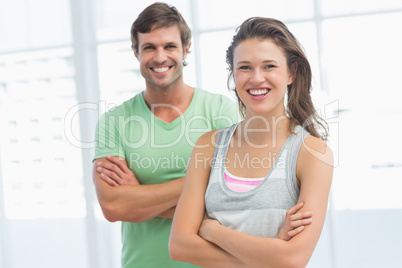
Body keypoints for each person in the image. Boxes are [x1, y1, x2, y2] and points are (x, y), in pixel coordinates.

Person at [93, 3, 313, 267]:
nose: (160, 57)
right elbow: (114, 207)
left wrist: (140, 196)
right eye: (149, 47)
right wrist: (199, 189)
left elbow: (236, 202)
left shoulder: (218, 110)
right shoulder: (114, 121)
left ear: (186, 49)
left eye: (170, 46)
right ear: (135, 52)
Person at [169, 17, 334, 268]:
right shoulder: (208, 146)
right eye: (245, 67)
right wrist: (269, 254)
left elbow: (292, 259)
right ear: (233, 75)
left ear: (291, 72)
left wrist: (213, 231)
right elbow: (180, 245)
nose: (256, 79)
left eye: (269, 66)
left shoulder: (312, 153)